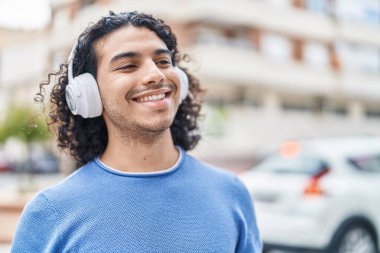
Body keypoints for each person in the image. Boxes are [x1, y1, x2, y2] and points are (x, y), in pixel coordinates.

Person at [11, 11, 262, 252]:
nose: (155, 74)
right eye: (128, 65)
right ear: (88, 94)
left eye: (163, 61)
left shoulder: (231, 193)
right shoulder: (50, 213)